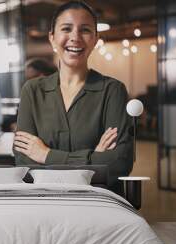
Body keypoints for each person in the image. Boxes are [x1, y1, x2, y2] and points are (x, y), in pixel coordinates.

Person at [13, 1, 133, 192]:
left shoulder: (113, 90)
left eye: (85, 30)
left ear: (95, 39)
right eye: (66, 29)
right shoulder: (32, 90)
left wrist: (46, 155)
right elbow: (23, 164)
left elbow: (118, 164)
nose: (75, 37)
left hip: (99, 204)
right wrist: (93, 158)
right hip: (44, 202)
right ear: (52, 38)